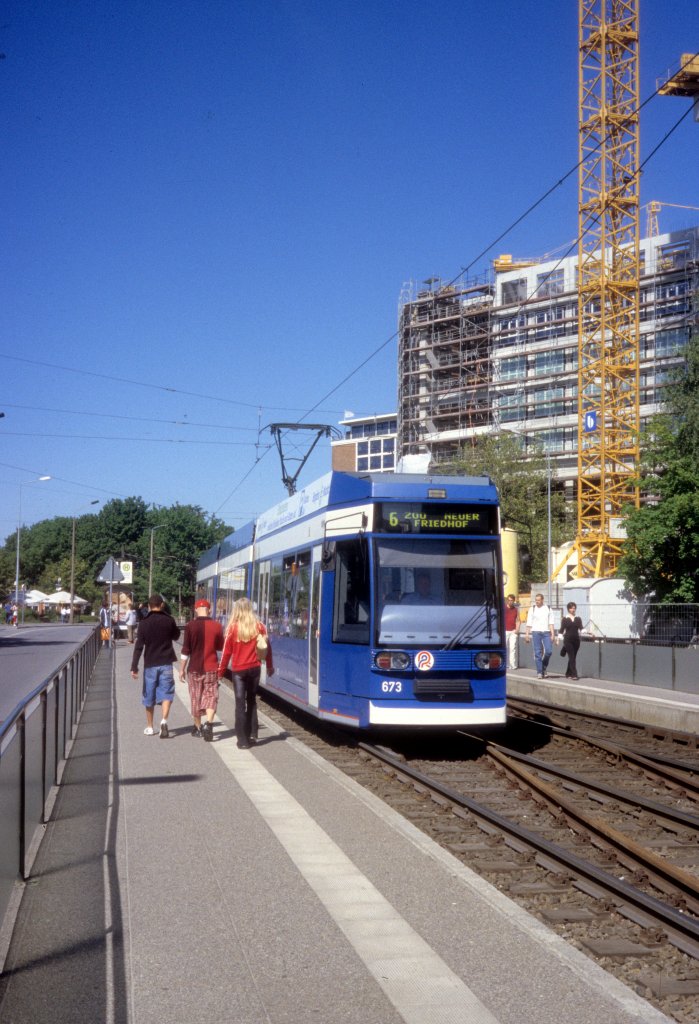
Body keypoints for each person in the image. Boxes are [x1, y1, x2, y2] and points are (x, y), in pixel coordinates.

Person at [218, 597, 274, 749]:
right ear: (250, 609)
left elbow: (226, 654)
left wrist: (220, 673)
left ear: (236, 610)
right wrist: (269, 666)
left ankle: (242, 740)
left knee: (240, 704)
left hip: (239, 671)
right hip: (255, 669)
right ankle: (253, 734)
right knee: (252, 701)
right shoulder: (260, 626)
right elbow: (267, 647)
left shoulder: (232, 629)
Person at [130, 593, 180, 738]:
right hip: (166, 663)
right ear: (162, 605)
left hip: (150, 664)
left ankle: (150, 727)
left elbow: (139, 646)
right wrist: (168, 614)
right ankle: (164, 720)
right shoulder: (169, 620)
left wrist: (134, 667)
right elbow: (176, 636)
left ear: (149, 606)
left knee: (149, 695)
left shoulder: (144, 623)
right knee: (167, 693)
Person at [179, 598, 224, 741]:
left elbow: (186, 650)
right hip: (211, 667)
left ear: (196, 609)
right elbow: (219, 647)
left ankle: (197, 728)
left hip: (194, 669)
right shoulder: (217, 626)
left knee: (195, 698)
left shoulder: (190, 626)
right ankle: (209, 724)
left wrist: (181, 669)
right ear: (209, 610)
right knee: (211, 696)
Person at [525, 593, 556, 679]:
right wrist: (527, 634)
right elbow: (529, 622)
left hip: (546, 632)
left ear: (542, 600)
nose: (537, 602)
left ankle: (543, 666)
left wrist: (553, 634)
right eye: (536, 600)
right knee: (538, 653)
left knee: (549, 651)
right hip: (536, 632)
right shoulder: (533, 609)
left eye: (538, 600)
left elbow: (551, 622)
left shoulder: (548, 608)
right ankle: (539, 671)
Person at [559, 601, 583, 680]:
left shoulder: (578, 618)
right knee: (572, 657)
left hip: (576, 640)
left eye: (574, 608)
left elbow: (581, 628)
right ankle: (574, 674)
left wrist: (589, 632)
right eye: (571, 608)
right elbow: (561, 630)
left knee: (573, 657)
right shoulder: (565, 619)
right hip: (568, 640)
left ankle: (568, 673)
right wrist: (558, 639)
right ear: (568, 609)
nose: (573, 609)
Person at [504, 593, 520, 670]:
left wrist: (517, 629)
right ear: (507, 600)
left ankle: (512, 665)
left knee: (512, 648)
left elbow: (518, 620)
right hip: (505, 631)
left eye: (511, 600)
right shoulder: (503, 609)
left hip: (513, 631)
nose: (510, 602)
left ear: (514, 601)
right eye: (509, 600)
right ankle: (504, 664)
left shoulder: (515, 610)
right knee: (504, 648)